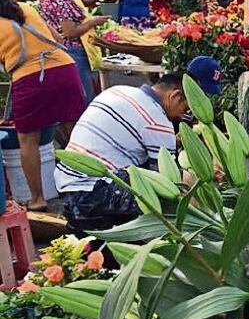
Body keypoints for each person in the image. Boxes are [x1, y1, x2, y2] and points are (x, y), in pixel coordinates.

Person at [57, 59, 222, 230]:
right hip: (92, 193)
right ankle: (196, 235)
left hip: (66, 182)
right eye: (187, 108)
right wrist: (205, 176)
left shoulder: (117, 90)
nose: (186, 114)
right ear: (175, 96)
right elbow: (168, 180)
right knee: (183, 183)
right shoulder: (158, 123)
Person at [0, 0, 86, 210]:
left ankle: (37, 199)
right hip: (64, 70)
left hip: (29, 78)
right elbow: (57, 38)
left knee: (28, 140)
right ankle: (89, 184)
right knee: (75, 133)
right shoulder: (25, 8)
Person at [38, 0, 109, 105]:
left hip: (61, 50)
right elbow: (70, 32)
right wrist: (92, 22)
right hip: (74, 51)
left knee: (72, 99)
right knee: (84, 98)